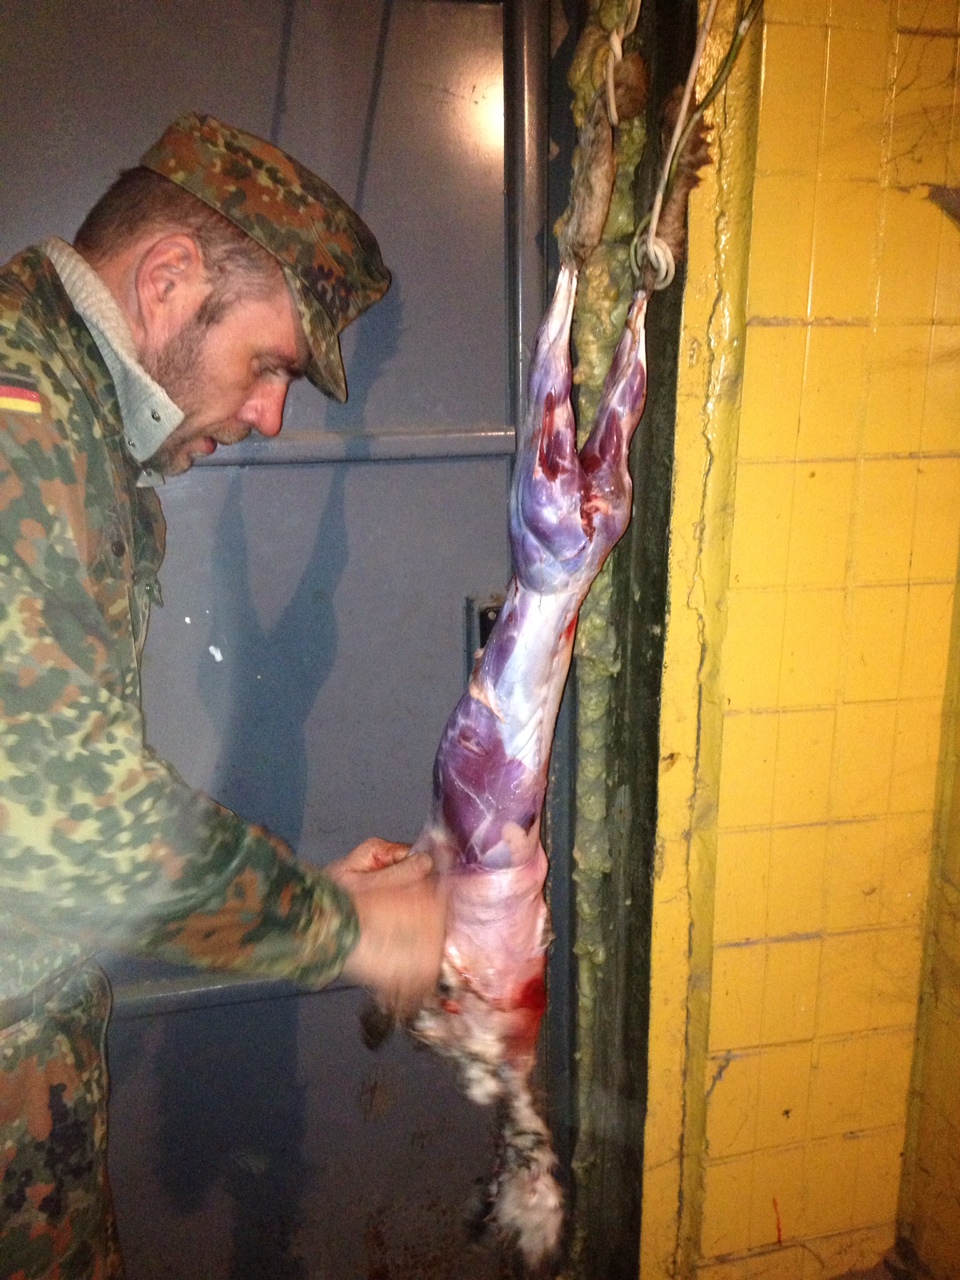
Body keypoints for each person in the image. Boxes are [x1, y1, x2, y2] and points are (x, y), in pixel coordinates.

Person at [0, 112, 447, 1279]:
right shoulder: (20, 427)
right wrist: (346, 928)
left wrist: (308, 899)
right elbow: (67, 821)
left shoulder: (69, 426)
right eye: (271, 365)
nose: (270, 417)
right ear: (167, 280)